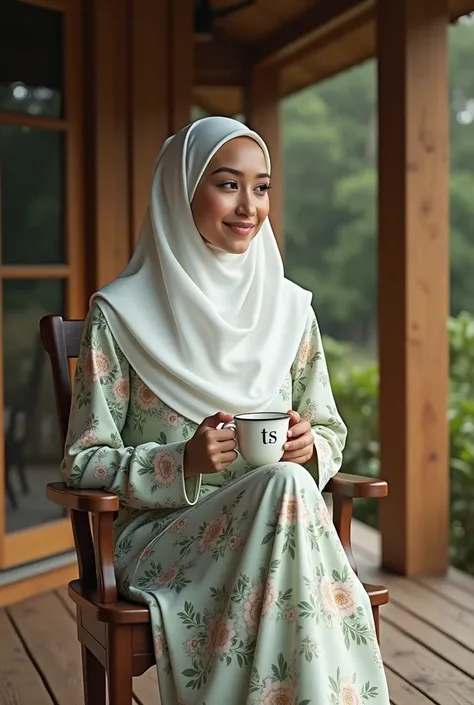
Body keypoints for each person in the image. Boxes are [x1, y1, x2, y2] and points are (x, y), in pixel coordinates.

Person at [62, 116, 390, 705]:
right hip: (166, 541)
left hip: (284, 534)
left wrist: (308, 446)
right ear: (179, 189)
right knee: (290, 498)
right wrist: (179, 461)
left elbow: (329, 431)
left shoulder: (290, 311)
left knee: (288, 480)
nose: (249, 206)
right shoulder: (119, 316)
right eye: (228, 183)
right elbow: (83, 462)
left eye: (261, 187)